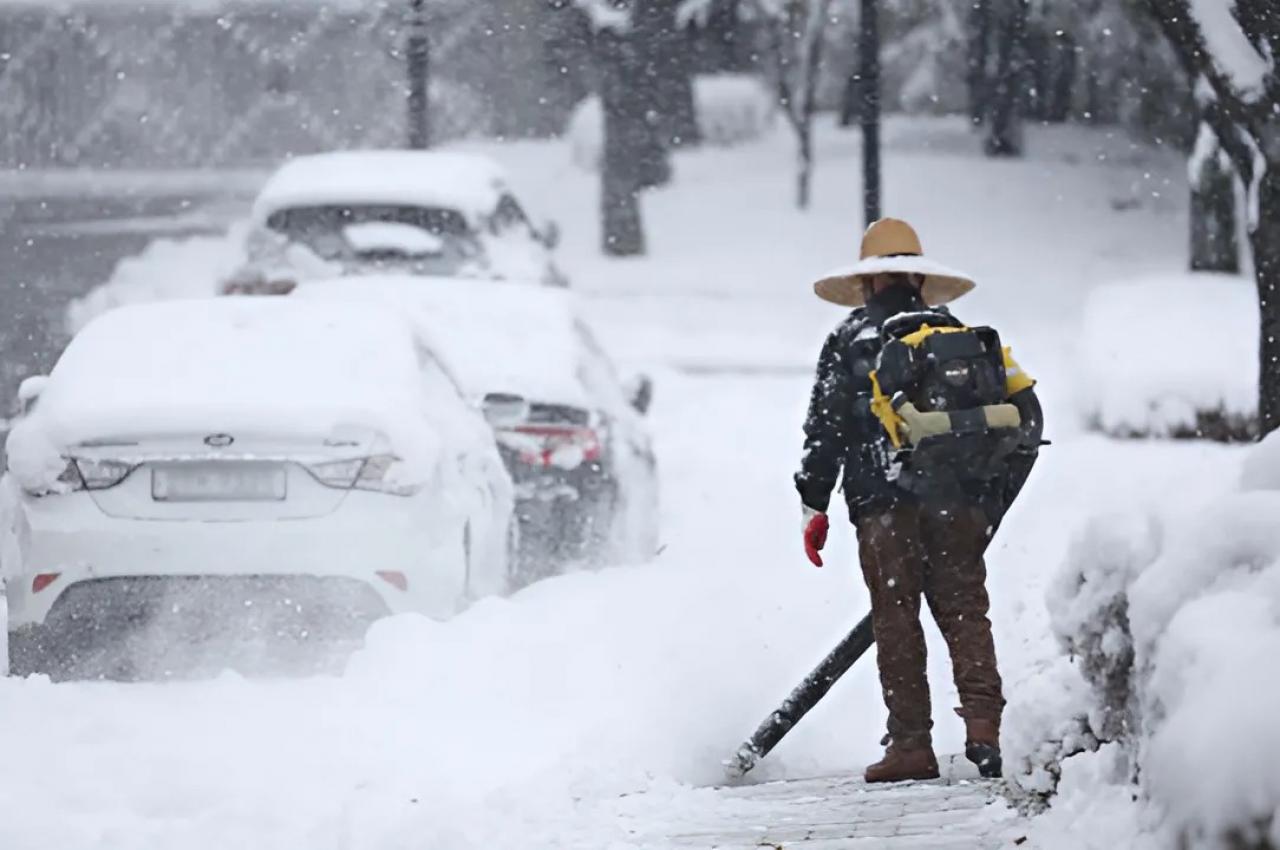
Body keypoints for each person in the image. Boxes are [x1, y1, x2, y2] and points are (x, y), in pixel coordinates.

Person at [794, 218, 1042, 783]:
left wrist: (815, 506)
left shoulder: (851, 338)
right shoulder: (955, 334)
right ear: (918, 277)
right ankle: (983, 726)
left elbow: (824, 431)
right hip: (958, 499)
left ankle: (911, 744)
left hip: (883, 502)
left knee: (896, 618)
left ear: (866, 284)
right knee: (964, 611)